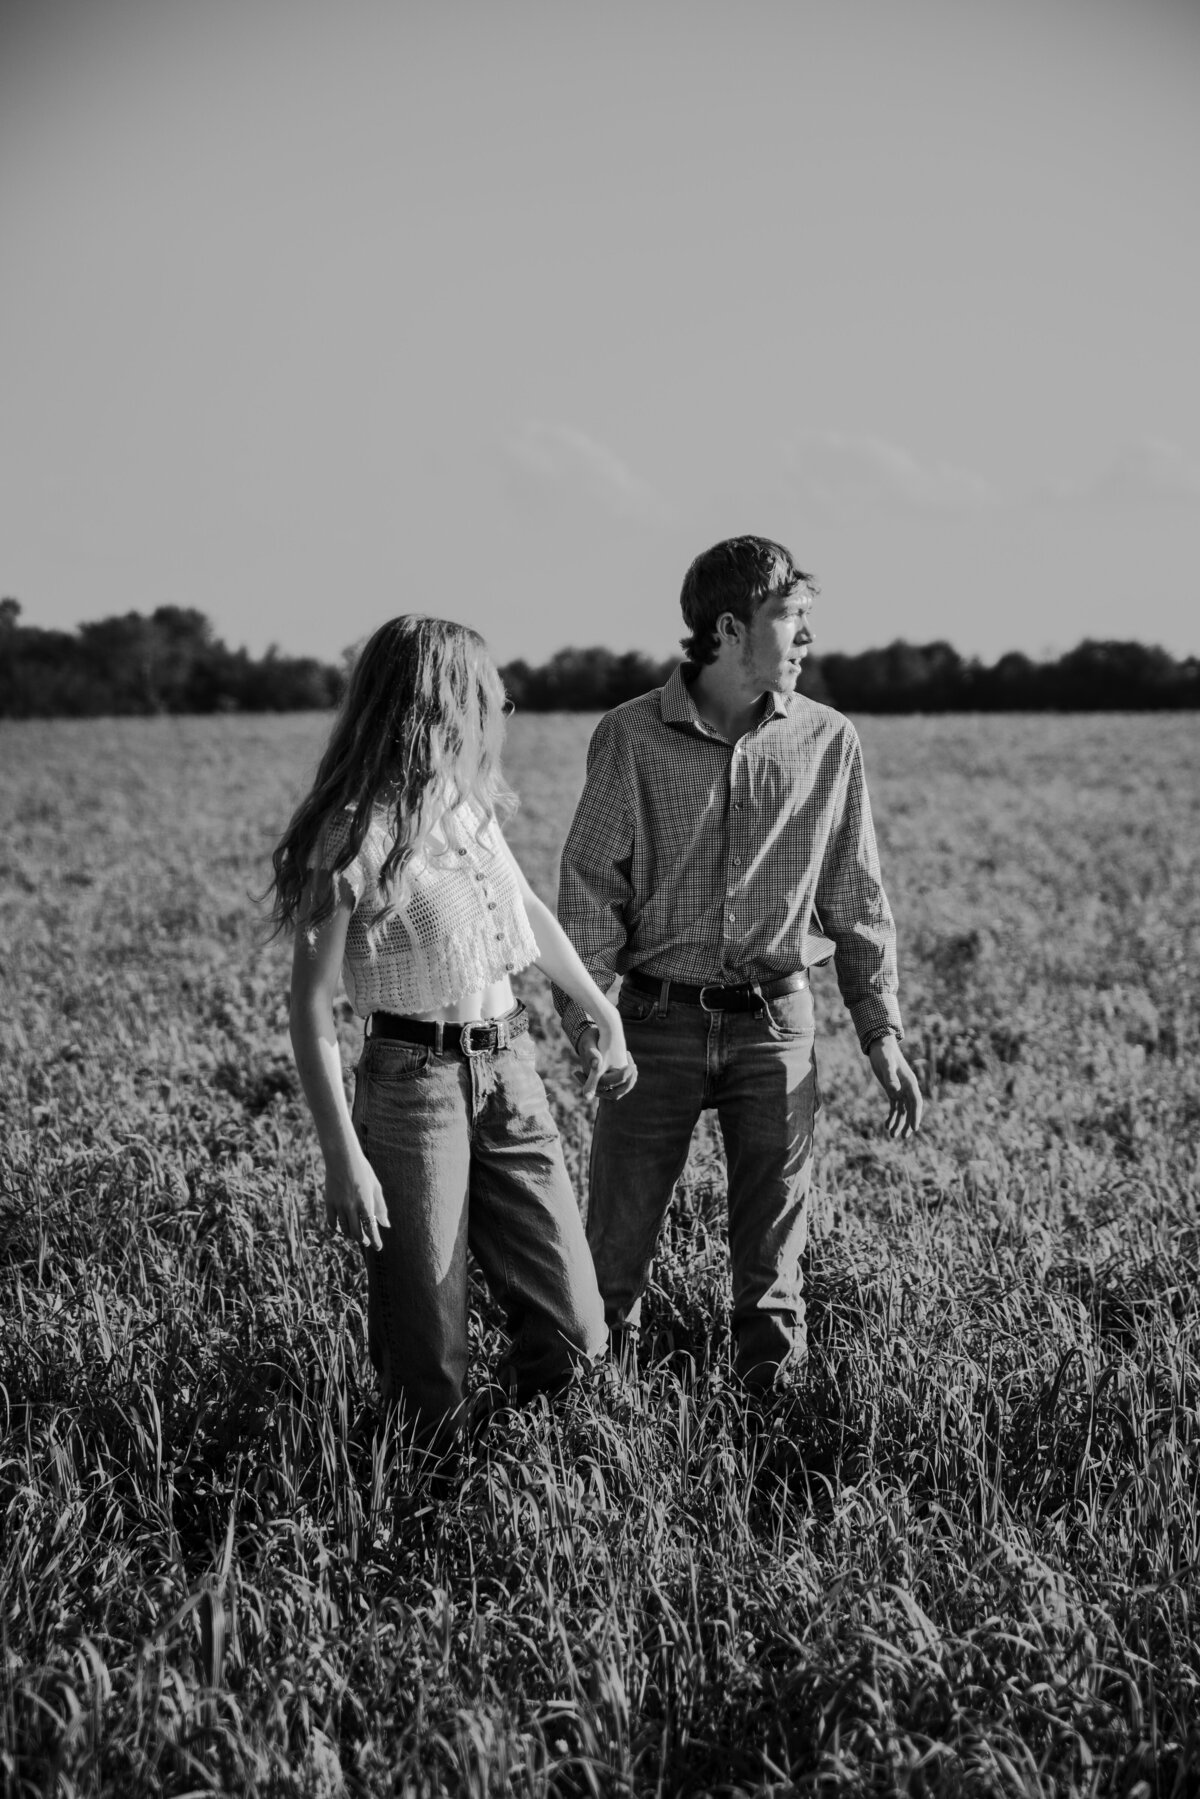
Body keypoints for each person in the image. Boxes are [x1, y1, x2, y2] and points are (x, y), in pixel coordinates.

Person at [555, 536, 923, 1392]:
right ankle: (598, 1438)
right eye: (790, 618)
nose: (806, 640)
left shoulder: (830, 742)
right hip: (652, 1025)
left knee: (773, 1277)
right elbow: (586, 893)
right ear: (729, 628)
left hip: (777, 1025)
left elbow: (855, 896)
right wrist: (594, 1022)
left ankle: (770, 1449)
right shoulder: (631, 737)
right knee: (613, 1264)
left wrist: (883, 1033)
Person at [270, 614, 635, 1471]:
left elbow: (523, 912)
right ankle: (429, 1504)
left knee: (576, 1324)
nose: (501, 712)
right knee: (427, 1347)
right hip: (410, 1085)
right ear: (437, 705)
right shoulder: (351, 833)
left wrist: (594, 1005)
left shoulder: (466, 808)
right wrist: (342, 1153)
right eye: (487, 697)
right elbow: (311, 1005)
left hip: (510, 1070)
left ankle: (536, 1473)